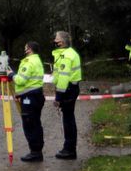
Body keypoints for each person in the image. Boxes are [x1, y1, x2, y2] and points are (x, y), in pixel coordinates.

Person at [51, 30, 82, 159]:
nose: (54, 41)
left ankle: (69, 150)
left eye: (56, 39)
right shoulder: (66, 54)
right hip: (70, 89)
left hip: (68, 90)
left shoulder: (66, 56)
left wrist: (58, 97)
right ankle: (69, 148)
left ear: (62, 41)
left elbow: (63, 78)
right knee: (68, 119)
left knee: (68, 120)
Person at [13, 40, 46, 162]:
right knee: (36, 123)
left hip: (30, 98)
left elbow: (21, 80)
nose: (24, 50)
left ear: (29, 49)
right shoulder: (37, 60)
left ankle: (35, 152)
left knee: (30, 125)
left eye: (25, 48)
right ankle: (37, 150)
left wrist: (11, 75)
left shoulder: (29, 61)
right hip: (35, 95)